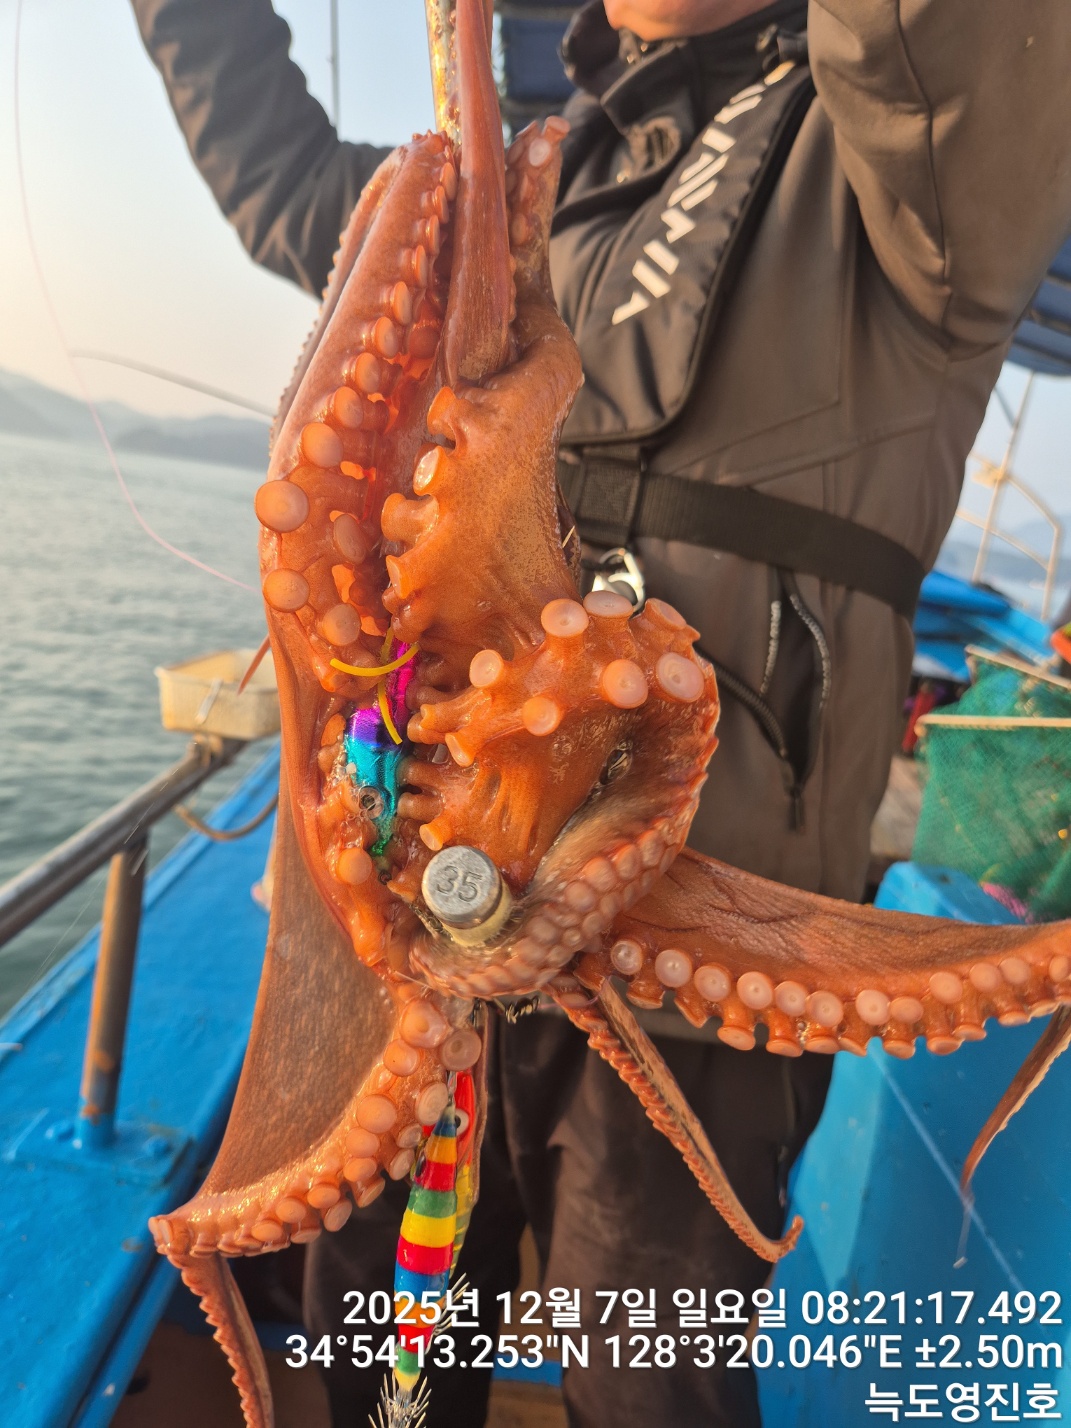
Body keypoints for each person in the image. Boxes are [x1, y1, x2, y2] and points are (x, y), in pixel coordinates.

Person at [129, 2, 1071, 1424]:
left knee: (651, 1384)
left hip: (708, 944)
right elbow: (291, 184)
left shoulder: (913, 141)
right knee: (378, 1362)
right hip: (430, 912)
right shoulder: (538, 173)